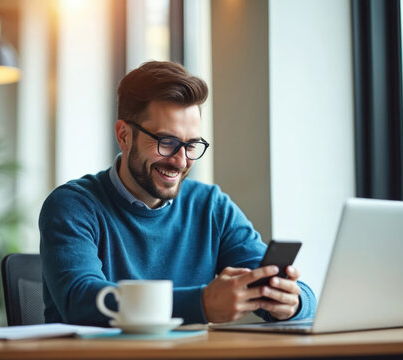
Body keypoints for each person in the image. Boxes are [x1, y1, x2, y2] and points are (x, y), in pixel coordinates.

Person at [39, 61, 316, 326]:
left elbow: (282, 289)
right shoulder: (73, 205)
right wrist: (201, 303)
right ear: (124, 135)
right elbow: (82, 301)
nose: (181, 161)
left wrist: (292, 302)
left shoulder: (210, 206)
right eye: (167, 142)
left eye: (191, 145)